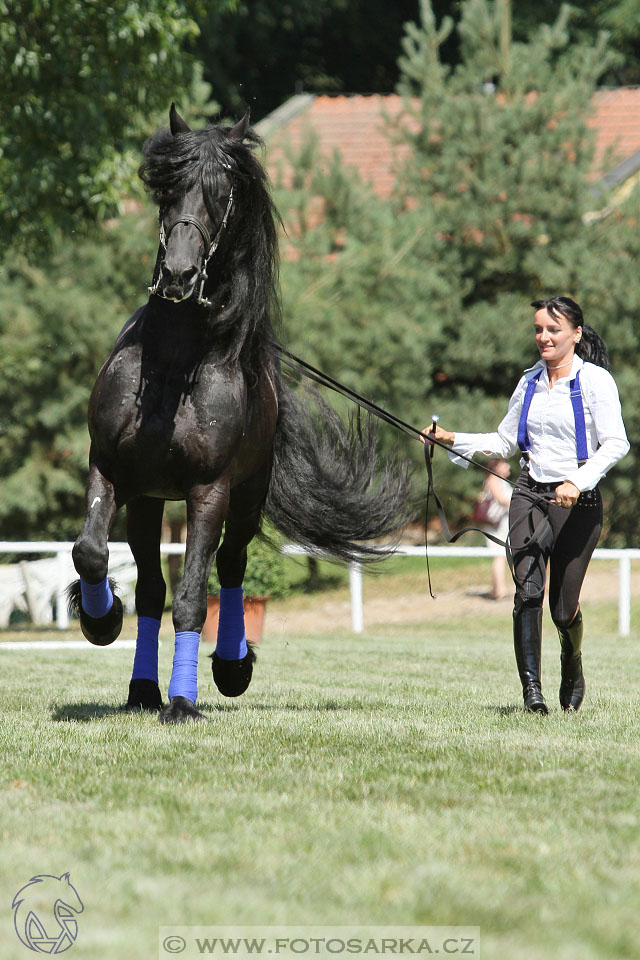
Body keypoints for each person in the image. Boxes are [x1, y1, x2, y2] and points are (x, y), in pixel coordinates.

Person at [424, 296, 629, 713]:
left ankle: (572, 661)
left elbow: (616, 443)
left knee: (561, 608)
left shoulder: (595, 382)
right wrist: (451, 440)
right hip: (529, 493)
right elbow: (504, 440)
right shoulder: (529, 382)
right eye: (538, 329)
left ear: (576, 334)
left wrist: (578, 479)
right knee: (527, 591)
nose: (544, 337)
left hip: (579, 501)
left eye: (553, 330)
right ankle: (532, 693)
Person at [474, 458, 512, 599]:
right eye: (504, 464)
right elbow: (501, 499)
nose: (508, 466)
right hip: (496, 523)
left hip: (502, 522)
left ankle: (497, 589)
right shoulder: (493, 479)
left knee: (501, 555)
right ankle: (499, 590)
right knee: (499, 555)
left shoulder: (499, 479)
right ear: (496, 467)